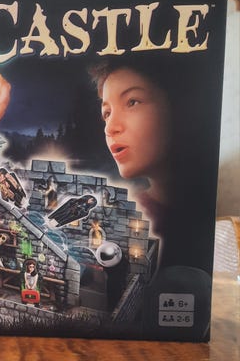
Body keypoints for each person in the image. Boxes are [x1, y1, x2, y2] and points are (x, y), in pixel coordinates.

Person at [90, 55, 215, 272]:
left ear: (178, 104)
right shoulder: (133, 211)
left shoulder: (210, 208)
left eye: (132, 102)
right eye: (106, 113)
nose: (110, 128)